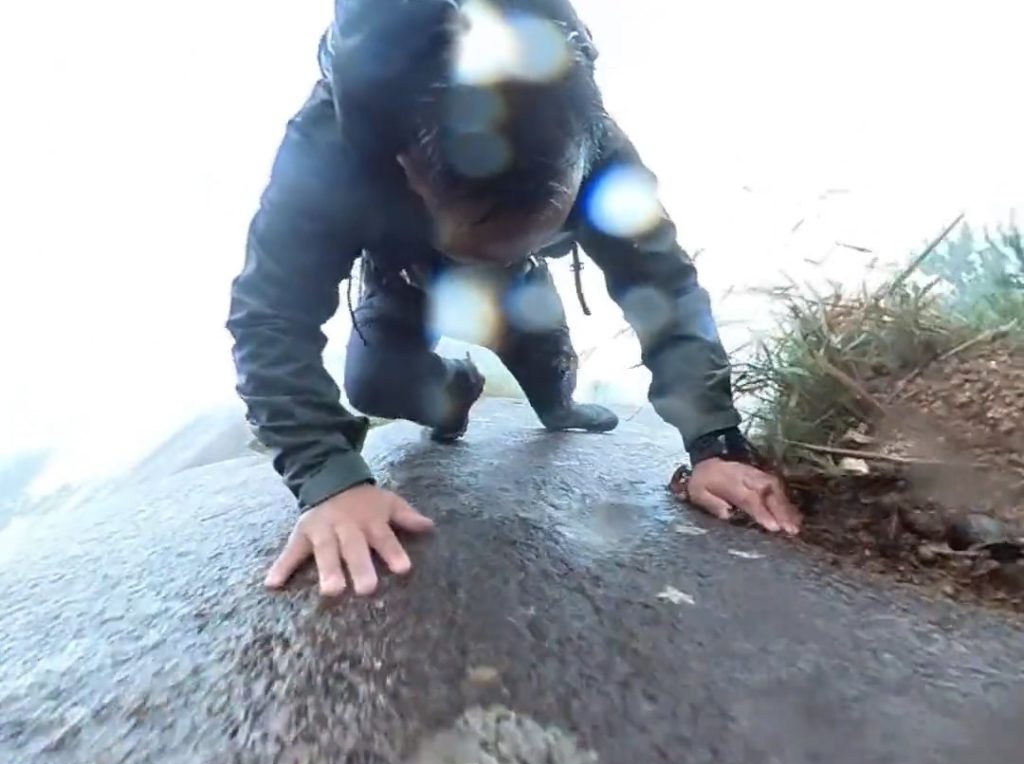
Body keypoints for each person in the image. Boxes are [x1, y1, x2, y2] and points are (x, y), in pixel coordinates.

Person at [227, 0, 801, 598]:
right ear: (408, 172)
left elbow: (663, 284)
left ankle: (540, 345)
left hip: (521, 290)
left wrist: (716, 442)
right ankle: (457, 392)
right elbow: (270, 312)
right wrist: (330, 480)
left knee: (555, 398)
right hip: (404, 278)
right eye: (487, 238)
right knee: (373, 388)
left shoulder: (598, 147)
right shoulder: (330, 152)